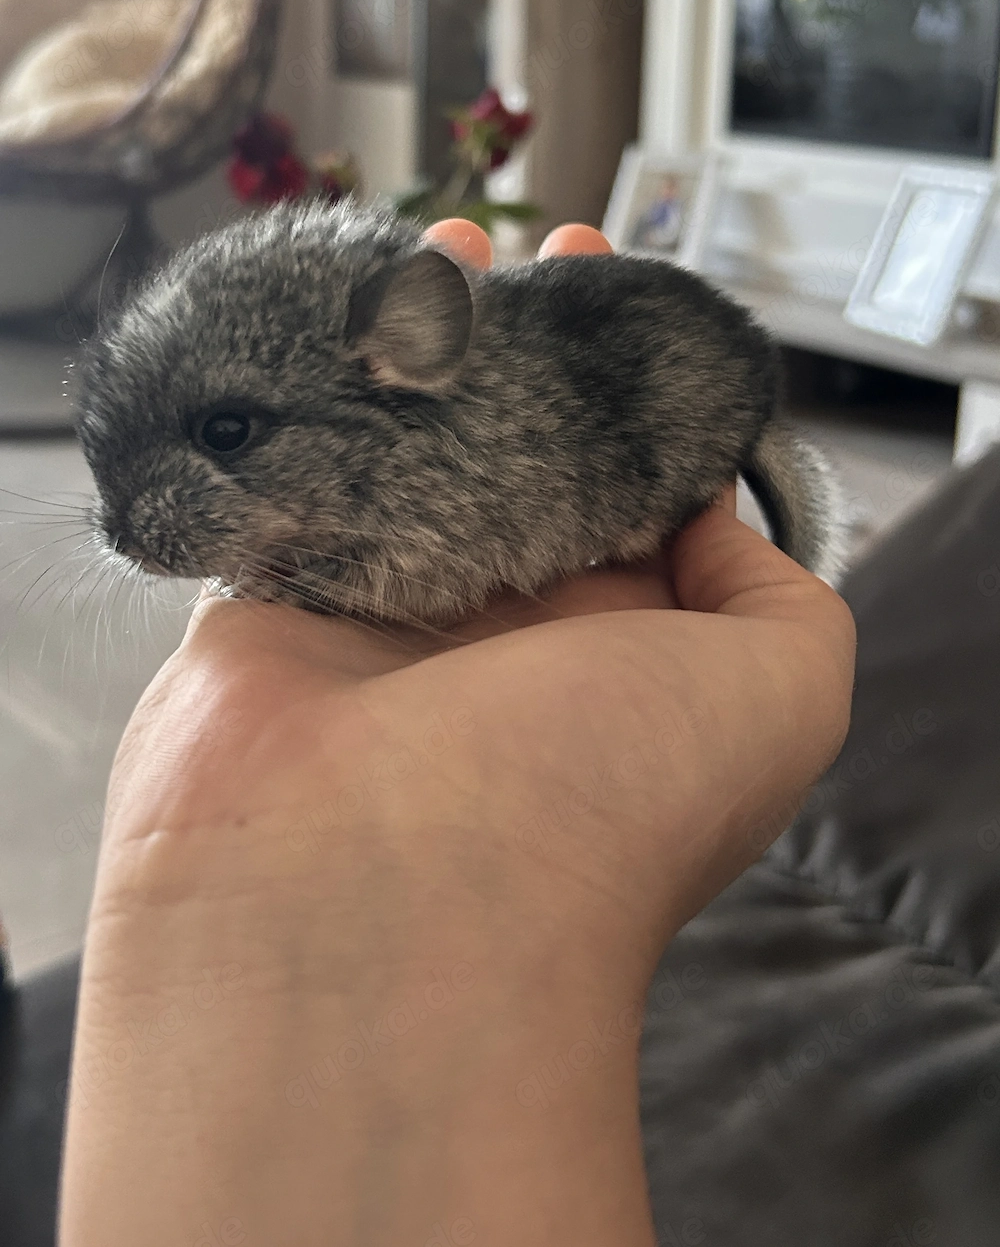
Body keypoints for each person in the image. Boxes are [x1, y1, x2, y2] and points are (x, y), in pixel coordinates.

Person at [52, 220, 855, 1247]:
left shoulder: (457, 478)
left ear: (396, 362)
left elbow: (438, 554)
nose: (129, 530)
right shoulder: (372, 423)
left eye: (223, 435)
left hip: (668, 401)